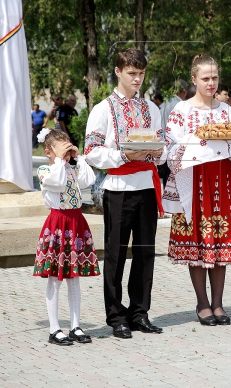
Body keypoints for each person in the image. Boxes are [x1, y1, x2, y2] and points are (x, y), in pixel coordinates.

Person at [163, 54, 231, 326]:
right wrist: (195, 142)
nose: (210, 83)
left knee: (220, 242)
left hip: (223, 182)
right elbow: (170, 151)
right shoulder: (181, 112)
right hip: (193, 182)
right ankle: (202, 303)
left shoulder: (226, 111)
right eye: (205, 78)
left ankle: (218, 303)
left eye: (215, 78)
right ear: (194, 79)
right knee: (197, 242)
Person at [83, 48, 166, 339]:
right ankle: (116, 316)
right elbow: (91, 152)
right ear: (118, 72)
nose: (138, 79)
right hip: (117, 188)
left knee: (145, 253)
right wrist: (122, 155)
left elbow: (162, 150)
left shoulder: (152, 109)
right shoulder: (103, 109)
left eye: (141, 73)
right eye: (132, 73)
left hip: (146, 186)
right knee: (116, 253)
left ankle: (140, 312)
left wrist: (156, 151)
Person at [33, 128, 99, 346]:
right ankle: (54, 329)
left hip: (76, 223)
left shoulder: (71, 169)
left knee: (74, 277)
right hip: (58, 225)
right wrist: (60, 160)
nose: (66, 153)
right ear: (48, 151)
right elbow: (58, 183)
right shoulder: (45, 170)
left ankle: (75, 325)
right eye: (61, 149)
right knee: (54, 277)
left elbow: (88, 180)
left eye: (67, 147)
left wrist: (78, 158)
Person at [159, 79, 189, 187]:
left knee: (168, 179)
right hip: (177, 147)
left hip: (166, 145)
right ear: (184, 91)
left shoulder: (166, 102)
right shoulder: (180, 105)